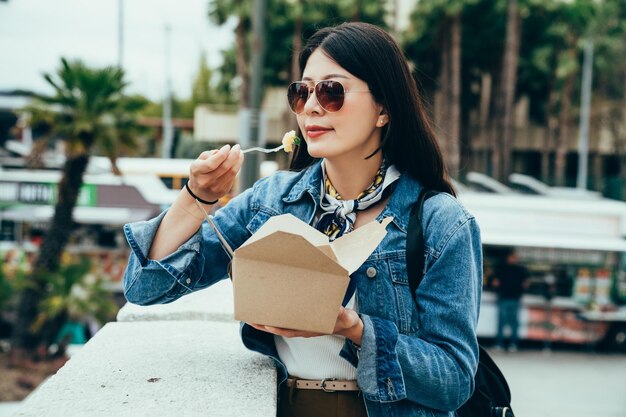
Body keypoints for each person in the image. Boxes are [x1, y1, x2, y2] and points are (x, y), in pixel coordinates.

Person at [122, 22, 482, 417]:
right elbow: (145, 288)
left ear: (384, 109)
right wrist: (197, 198)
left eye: (332, 91)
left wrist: (351, 327)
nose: (311, 106)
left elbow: (454, 379)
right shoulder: (272, 201)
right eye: (302, 91)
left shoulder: (441, 224)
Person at [492, 250, 529, 352]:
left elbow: (495, 283)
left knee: (509, 322)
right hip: (508, 298)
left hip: (510, 298)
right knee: (508, 322)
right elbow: (526, 283)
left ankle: (507, 344)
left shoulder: (503, 269)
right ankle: (507, 344)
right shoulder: (519, 270)